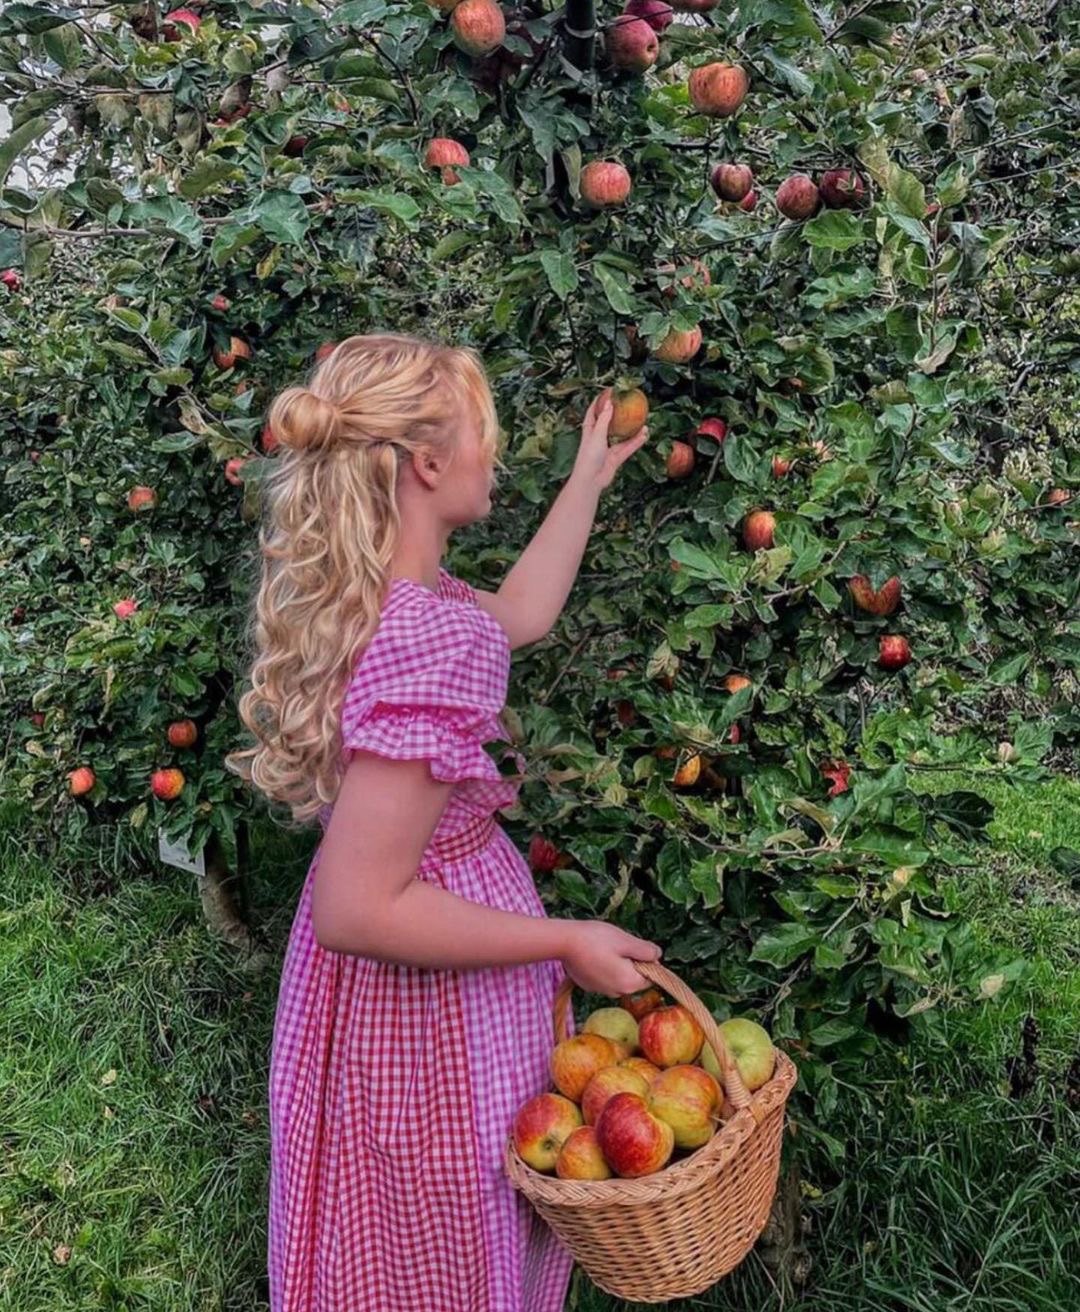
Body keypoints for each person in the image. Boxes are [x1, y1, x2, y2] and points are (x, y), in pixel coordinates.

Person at [226, 332, 662, 1312]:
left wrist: (588, 479)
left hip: (365, 991)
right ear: (428, 462)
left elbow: (522, 614)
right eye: (482, 436)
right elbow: (360, 907)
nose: (492, 457)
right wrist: (566, 938)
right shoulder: (434, 637)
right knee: (450, 1214)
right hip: (435, 992)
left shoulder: (375, 600)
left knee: (374, 1218)